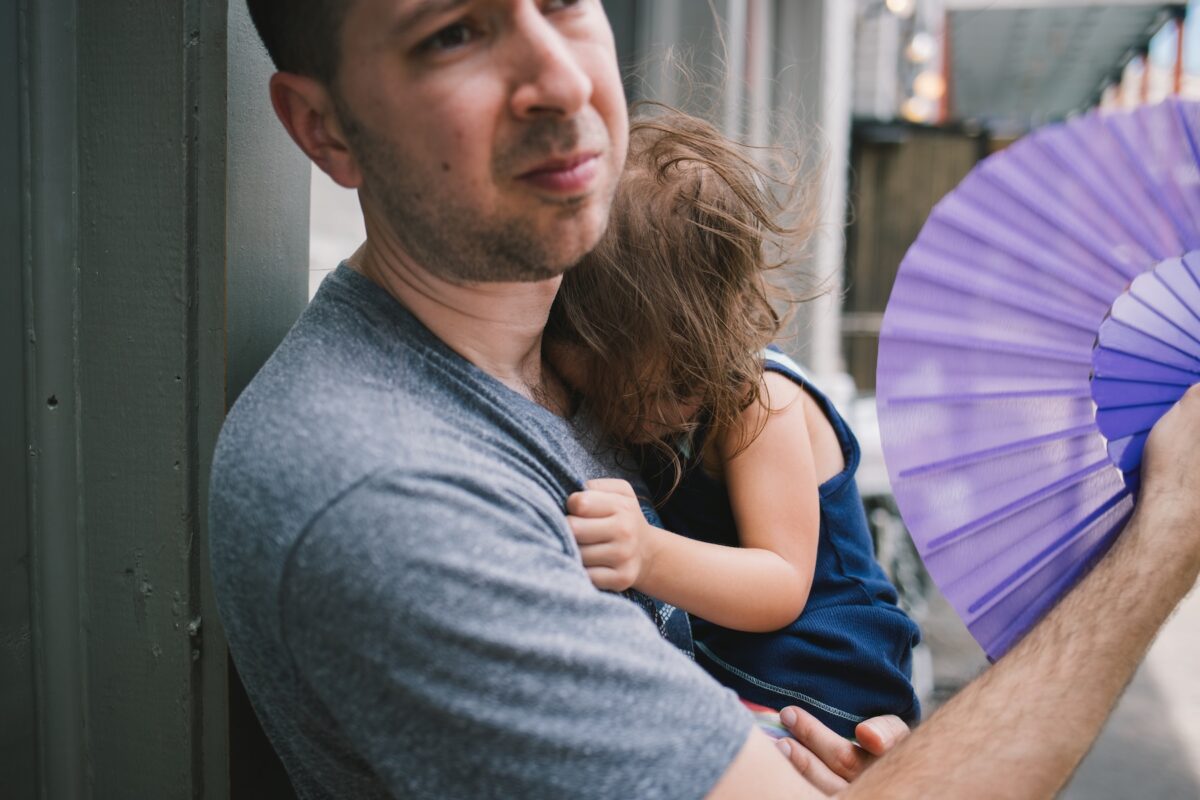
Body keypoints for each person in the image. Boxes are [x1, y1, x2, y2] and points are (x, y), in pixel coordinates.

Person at [210, 1, 1200, 797]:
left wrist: (902, 763)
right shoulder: (387, 494)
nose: (563, 79)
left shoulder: (596, 362)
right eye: (453, 33)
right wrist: (1164, 532)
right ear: (323, 127)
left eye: (564, 1)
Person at [543, 109, 919, 740]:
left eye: (630, 395)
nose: (613, 422)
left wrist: (647, 552)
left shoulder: (761, 402)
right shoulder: (660, 395)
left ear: (695, 347)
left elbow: (780, 584)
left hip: (826, 672)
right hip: (741, 662)